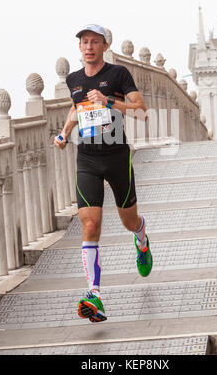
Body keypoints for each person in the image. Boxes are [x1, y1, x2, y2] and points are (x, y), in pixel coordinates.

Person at [54, 24, 152, 323]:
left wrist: (109, 100)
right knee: (91, 224)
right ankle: (94, 295)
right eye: (84, 41)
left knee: (128, 220)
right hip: (87, 159)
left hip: (117, 156)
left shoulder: (118, 74)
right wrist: (65, 132)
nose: (88, 46)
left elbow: (140, 110)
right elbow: (76, 108)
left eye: (95, 41)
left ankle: (141, 237)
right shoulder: (74, 79)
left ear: (105, 46)